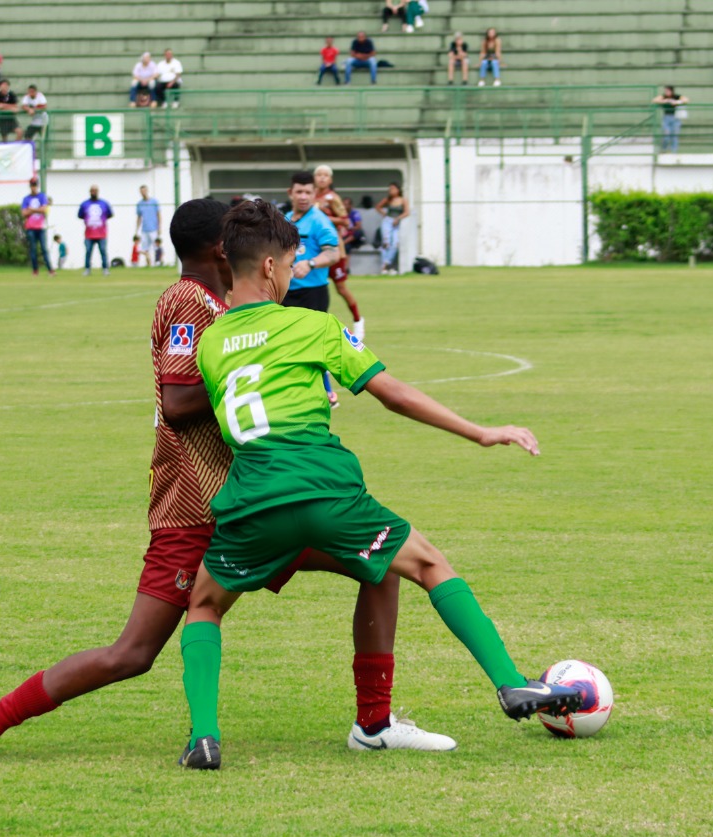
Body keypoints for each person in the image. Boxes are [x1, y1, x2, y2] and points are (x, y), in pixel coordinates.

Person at [0, 198, 455, 768]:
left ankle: (374, 723)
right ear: (219, 251)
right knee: (130, 654)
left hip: (254, 503)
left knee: (380, 563)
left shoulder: (227, 307)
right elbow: (178, 402)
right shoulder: (186, 301)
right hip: (194, 509)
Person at [174, 199, 582, 770]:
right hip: (325, 491)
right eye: (293, 265)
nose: (296, 276)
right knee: (428, 564)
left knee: (206, 606)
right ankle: (511, 683)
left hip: (250, 503)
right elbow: (392, 393)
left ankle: (206, 738)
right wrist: (481, 432)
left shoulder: (212, 343)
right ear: (269, 268)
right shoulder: (314, 324)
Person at [282, 171, 342, 404]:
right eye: (299, 191)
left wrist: (311, 262)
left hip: (313, 293)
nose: (304, 196)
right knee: (289, 342)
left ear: (315, 194)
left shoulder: (319, 221)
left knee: (313, 342)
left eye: (308, 192)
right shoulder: (286, 220)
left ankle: (328, 393)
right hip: (286, 291)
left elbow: (333, 252)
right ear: (291, 193)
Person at [313, 165, 365, 339]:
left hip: (333, 249)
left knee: (341, 288)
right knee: (314, 287)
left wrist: (325, 217)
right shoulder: (309, 196)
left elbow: (346, 222)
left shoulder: (333, 198)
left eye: (325, 175)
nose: (321, 178)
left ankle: (358, 320)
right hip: (314, 249)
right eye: (319, 175)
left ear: (330, 179)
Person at [78, 185, 114, 276]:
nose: (93, 192)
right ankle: (87, 269)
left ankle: (105, 269)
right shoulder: (85, 204)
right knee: (88, 251)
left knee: (103, 251)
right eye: (92, 191)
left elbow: (110, 214)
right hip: (89, 234)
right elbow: (80, 215)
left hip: (101, 233)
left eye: (95, 190)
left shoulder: (104, 203)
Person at [375, 182, 409, 274]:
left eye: (393, 189)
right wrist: (384, 214)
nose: (391, 191)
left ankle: (387, 263)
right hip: (387, 221)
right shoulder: (388, 200)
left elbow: (406, 212)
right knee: (386, 243)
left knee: (395, 243)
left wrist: (398, 218)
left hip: (396, 222)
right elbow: (378, 206)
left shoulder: (403, 200)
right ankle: (384, 267)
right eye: (390, 189)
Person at [22, 177, 53, 277]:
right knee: (33, 250)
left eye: (35, 185)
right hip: (30, 227)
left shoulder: (42, 197)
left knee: (44, 249)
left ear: (37, 186)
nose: (33, 187)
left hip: (41, 227)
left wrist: (31, 210)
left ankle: (50, 270)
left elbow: (44, 210)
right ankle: (35, 270)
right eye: (32, 185)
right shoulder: (26, 199)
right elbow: (24, 213)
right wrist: (36, 209)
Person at [652, 85, 688, 152]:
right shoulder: (664, 97)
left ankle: (674, 152)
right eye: (666, 91)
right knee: (666, 134)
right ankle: (664, 149)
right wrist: (666, 101)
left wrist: (677, 102)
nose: (666, 92)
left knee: (674, 135)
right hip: (666, 118)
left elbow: (686, 100)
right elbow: (654, 100)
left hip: (676, 117)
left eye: (668, 91)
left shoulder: (676, 97)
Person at [135, 185, 160, 258]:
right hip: (144, 229)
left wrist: (159, 227)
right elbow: (139, 217)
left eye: (144, 191)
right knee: (145, 248)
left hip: (153, 228)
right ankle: (148, 264)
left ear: (147, 191)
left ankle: (158, 262)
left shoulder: (154, 202)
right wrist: (137, 230)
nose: (143, 193)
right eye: (141, 191)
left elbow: (159, 215)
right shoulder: (139, 204)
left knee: (156, 247)